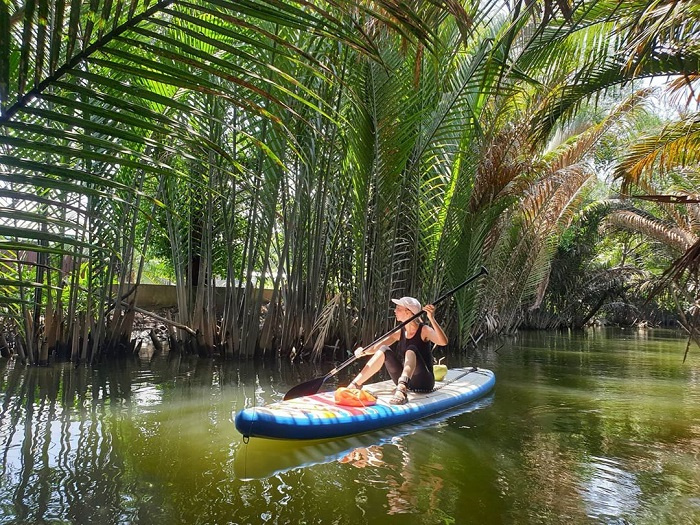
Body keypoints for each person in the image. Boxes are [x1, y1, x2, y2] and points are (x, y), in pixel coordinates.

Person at [347, 296, 448, 405]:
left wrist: (432, 318)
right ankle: (355, 384)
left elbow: (443, 342)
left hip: (423, 382)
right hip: (404, 380)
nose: (395, 311)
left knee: (411, 349)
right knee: (384, 349)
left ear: (408, 312)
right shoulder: (399, 331)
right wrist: (364, 351)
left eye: (398, 309)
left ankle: (402, 389)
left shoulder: (424, 330)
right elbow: (378, 346)